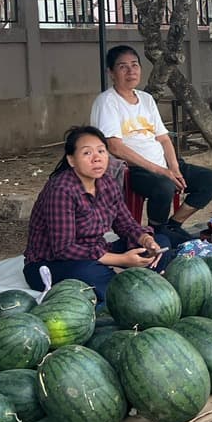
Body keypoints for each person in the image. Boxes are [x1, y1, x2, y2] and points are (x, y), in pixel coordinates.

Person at [91, 45, 212, 245]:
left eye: (135, 65)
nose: (131, 71)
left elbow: (164, 138)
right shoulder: (107, 102)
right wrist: (161, 171)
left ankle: (173, 225)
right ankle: (156, 230)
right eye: (123, 67)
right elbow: (114, 147)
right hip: (135, 170)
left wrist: (174, 168)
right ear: (111, 72)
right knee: (164, 186)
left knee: (211, 179)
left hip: (163, 165)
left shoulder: (146, 99)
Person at [23, 126, 171, 300]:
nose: (96, 158)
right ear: (71, 160)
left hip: (96, 252)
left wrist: (146, 240)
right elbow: (64, 249)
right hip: (51, 263)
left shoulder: (107, 183)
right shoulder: (61, 190)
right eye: (87, 153)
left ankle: (127, 282)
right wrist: (121, 260)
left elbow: (126, 225)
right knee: (87, 273)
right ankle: (129, 290)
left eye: (101, 151)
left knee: (161, 242)